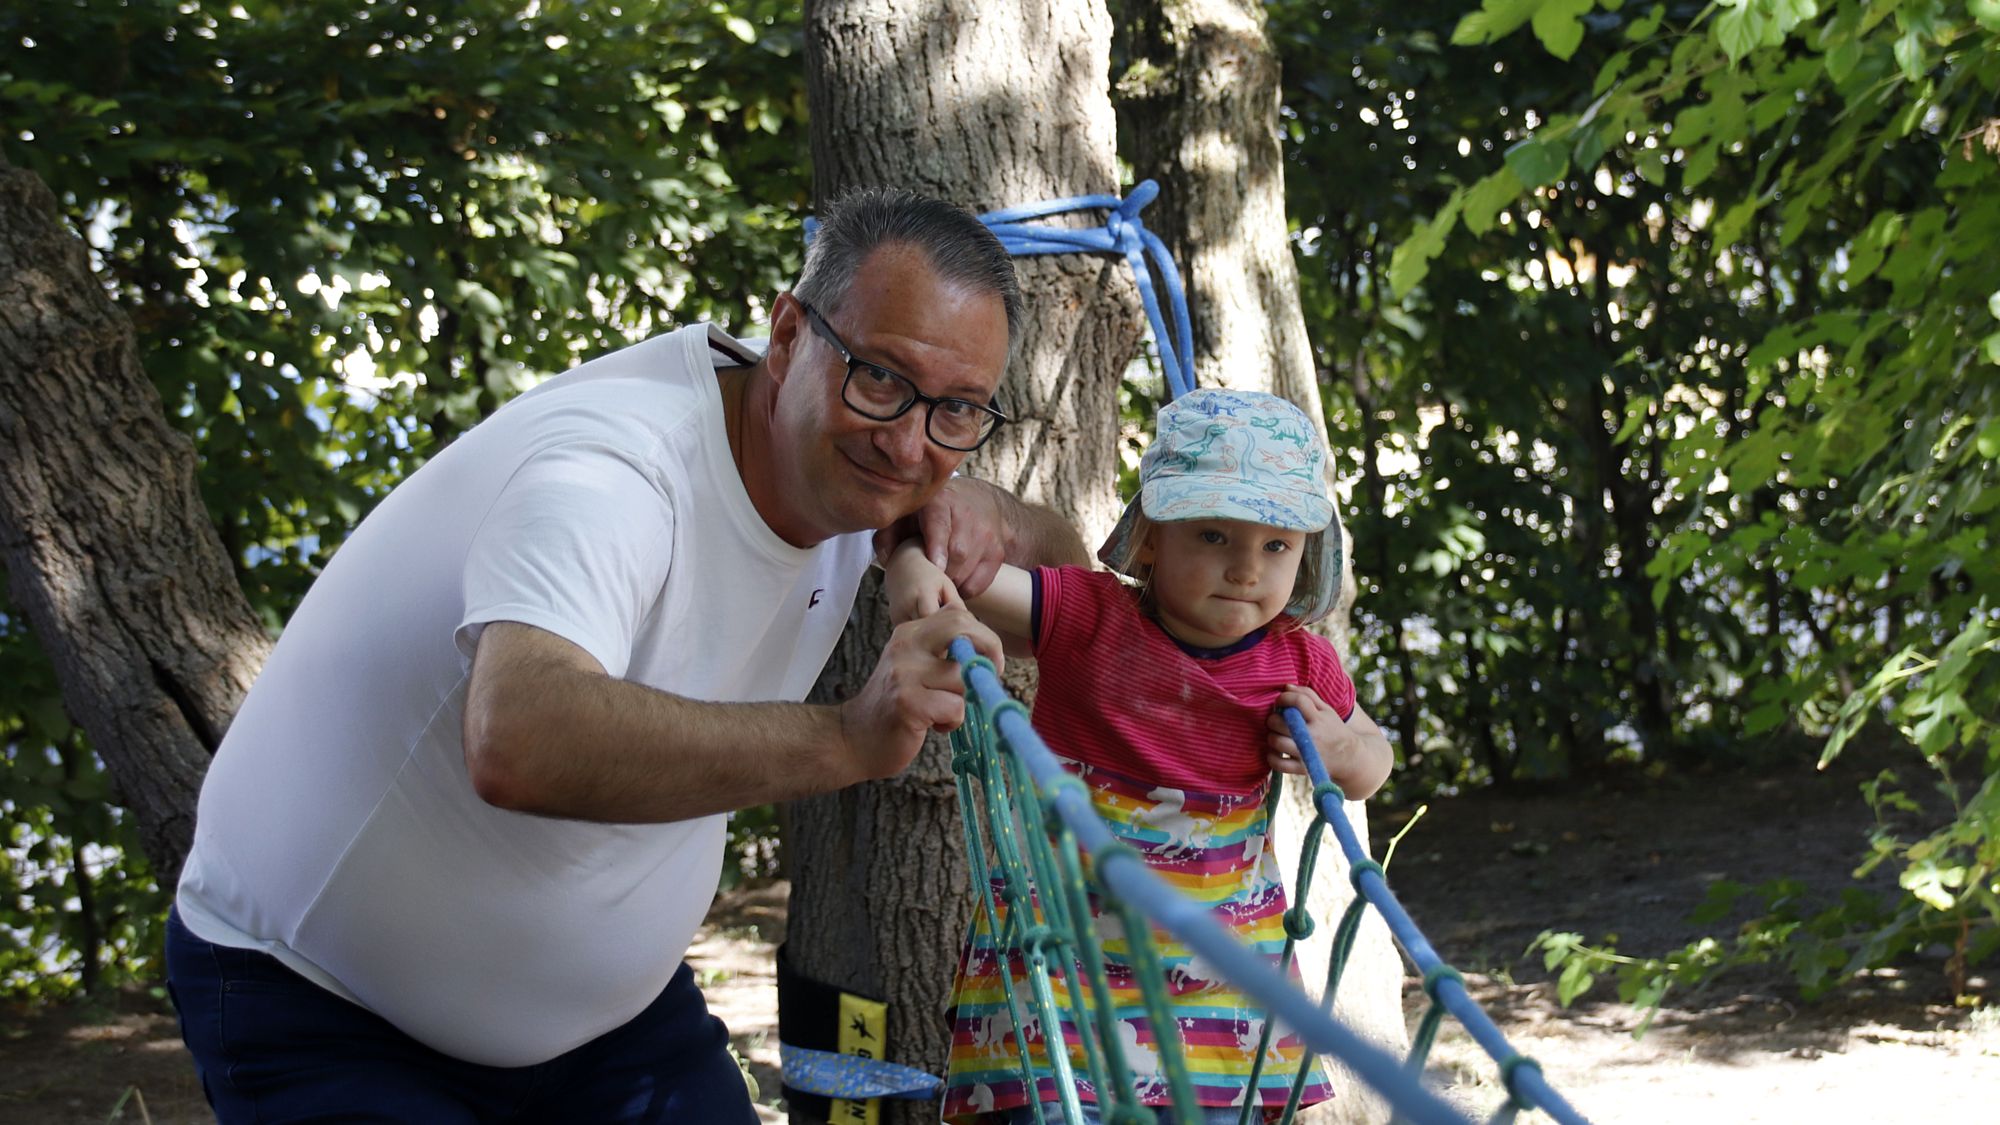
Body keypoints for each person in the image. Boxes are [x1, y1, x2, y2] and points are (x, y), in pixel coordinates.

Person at [164, 187, 1090, 1123]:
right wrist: (848, 738)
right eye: (880, 378)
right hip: (325, 1007)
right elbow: (521, 737)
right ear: (785, 335)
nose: (907, 440)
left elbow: (1074, 601)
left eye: (958, 410)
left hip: (612, 1033)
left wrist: (998, 514)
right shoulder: (615, 469)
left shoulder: (870, 469)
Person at [885, 388, 1395, 1124]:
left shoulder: (1300, 664)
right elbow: (952, 579)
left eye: (1276, 545)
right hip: (1062, 957)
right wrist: (907, 559)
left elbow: (1373, 763)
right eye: (1215, 536)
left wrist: (1343, 749)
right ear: (1152, 536)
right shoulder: (1088, 615)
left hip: (1216, 976)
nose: (1247, 569)